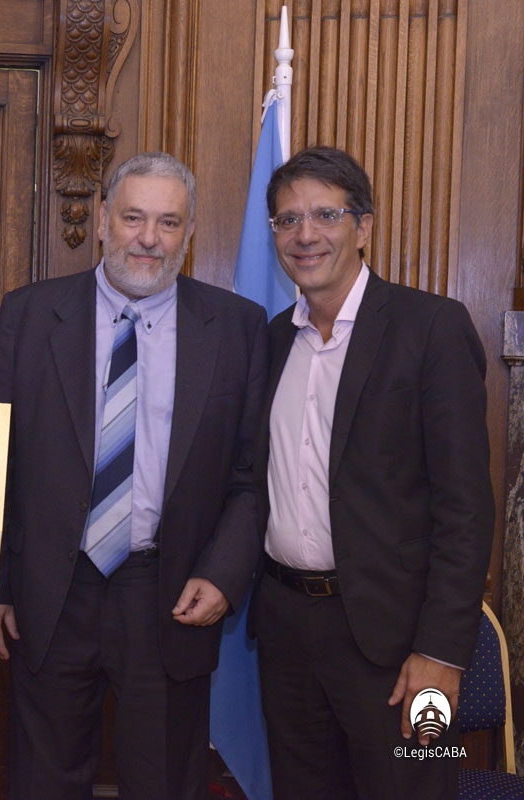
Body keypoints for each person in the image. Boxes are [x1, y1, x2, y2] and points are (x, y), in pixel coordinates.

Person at [0, 152, 268, 799]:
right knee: (43, 781)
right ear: (103, 220)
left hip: (169, 593)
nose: (148, 238)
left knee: (163, 781)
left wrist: (223, 572)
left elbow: (251, 474)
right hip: (49, 591)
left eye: (168, 223)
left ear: (188, 235)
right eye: (133, 217)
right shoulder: (29, 314)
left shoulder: (237, 328)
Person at [256, 145, 493, 799]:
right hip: (285, 633)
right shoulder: (270, 341)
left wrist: (443, 652)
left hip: (402, 645)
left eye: (325, 215)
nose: (305, 235)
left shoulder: (431, 328)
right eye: (287, 219)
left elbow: (466, 508)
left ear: (363, 226)